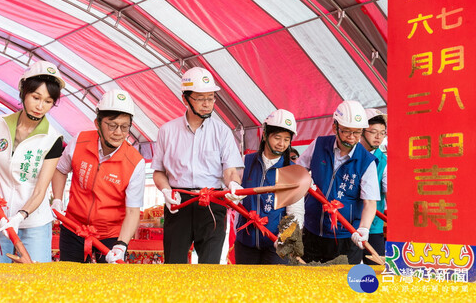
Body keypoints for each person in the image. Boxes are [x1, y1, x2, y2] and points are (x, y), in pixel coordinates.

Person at [0, 60, 65, 263]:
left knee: (32, 284)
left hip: (34, 222)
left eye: (47, 101)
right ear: (23, 92)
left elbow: (40, 190)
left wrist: (20, 216)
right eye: (36, 97)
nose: (40, 106)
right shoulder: (0, 123)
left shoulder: (53, 139)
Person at [152, 67, 244, 264]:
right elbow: (158, 172)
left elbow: (230, 170)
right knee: (174, 266)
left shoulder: (222, 132)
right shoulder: (167, 131)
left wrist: (234, 184)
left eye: (211, 98)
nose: (207, 104)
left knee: (209, 268)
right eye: (201, 98)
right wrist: (166, 190)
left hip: (212, 202)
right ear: (185, 99)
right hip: (178, 203)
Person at [51, 89, 145, 263]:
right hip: (73, 229)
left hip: (110, 236)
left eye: (125, 127)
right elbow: (60, 170)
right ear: (98, 123)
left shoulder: (134, 162)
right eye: (112, 125)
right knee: (68, 282)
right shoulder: (80, 141)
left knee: (109, 287)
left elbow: (133, 211)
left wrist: (121, 244)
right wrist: (57, 199)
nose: (118, 132)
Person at [296, 100, 380, 264]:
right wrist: (304, 180)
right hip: (313, 231)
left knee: (343, 286)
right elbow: (298, 170)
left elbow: (370, 202)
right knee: (308, 283)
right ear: (335, 127)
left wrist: (363, 228)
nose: (352, 137)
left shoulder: (367, 161)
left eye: (357, 132)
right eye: (346, 131)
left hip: (346, 237)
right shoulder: (319, 144)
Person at [235, 109, 308, 264]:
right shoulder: (244, 162)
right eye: (277, 137)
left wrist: (286, 237)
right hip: (245, 243)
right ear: (265, 135)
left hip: (276, 246)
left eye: (287, 140)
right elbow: (232, 196)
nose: (281, 144)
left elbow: (296, 212)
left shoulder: (293, 172)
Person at [360, 108, 387, 265]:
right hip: (344, 227)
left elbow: (390, 193)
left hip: (373, 228)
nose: (379, 137)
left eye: (382, 133)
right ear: (361, 131)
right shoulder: (350, 154)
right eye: (373, 132)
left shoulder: (384, 161)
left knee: (375, 274)